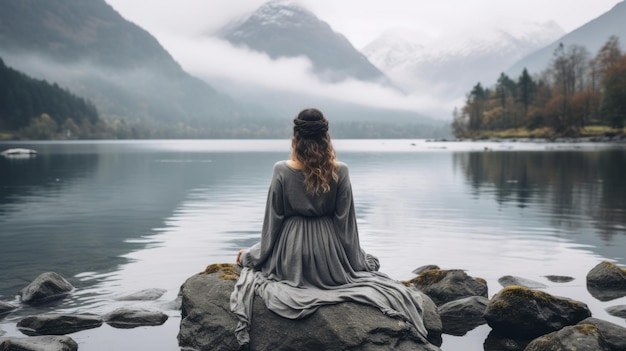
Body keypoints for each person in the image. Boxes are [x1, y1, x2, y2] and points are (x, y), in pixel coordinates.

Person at [230, 108, 428, 346]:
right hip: (329, 257)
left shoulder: (281, 169)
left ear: (296, 136)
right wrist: (359, 262)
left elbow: (272, 225)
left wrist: (250, 257)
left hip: (291, 255)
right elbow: (346, 228)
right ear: (326, 135)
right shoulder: (340, 170)